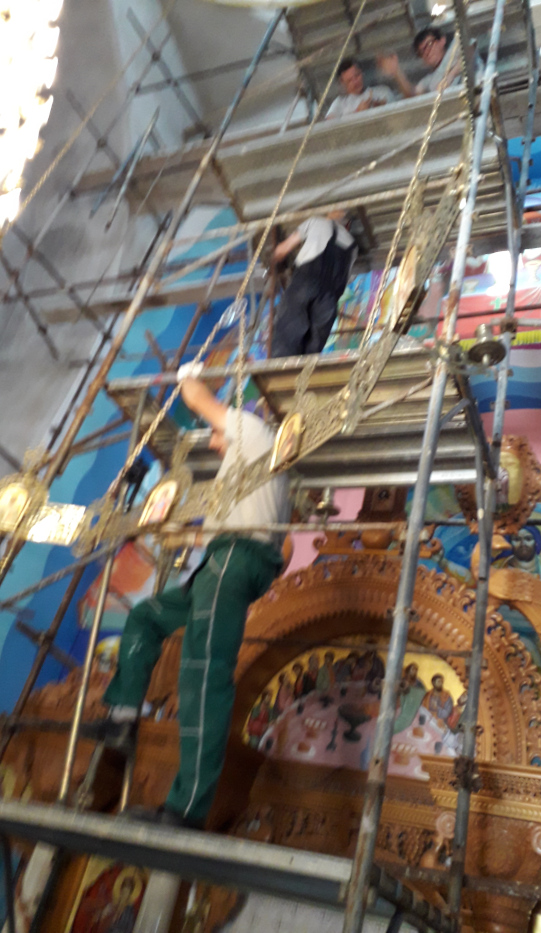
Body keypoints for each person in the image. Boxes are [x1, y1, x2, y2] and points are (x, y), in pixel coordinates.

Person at [96, 362, 290, 829]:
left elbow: (198, 399)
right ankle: (122, 717)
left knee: (203, 672)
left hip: (233, 559)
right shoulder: (253, 473)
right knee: (146, 617)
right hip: (223, 563)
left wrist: (189, 373)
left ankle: (186, 810)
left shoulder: (254, 432)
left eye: (216, 434)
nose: (212, 439)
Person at [271, 211, 357, 358]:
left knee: (287, 338)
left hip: (304, 283)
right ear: (347, 225)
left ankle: (281, 367)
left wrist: (274, 258)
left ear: (329, 214)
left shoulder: (316, 222)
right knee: (311, 352)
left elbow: (282, 250)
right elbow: (347, 279)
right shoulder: (353, 246)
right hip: (329, 299)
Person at [378, 27, 480, 98]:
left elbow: (469, 52)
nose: (427, 52)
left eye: (429, 44)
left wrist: (450, 76)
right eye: (421, 52)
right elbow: (412, 94)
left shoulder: (455, 47)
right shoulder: (429, 80)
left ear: (442, 40)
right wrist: (396, 72)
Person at [326, 58, 396, 120]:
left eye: (357, 75)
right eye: (349, 80)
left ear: (362, 73)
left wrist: (383, 108)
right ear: (343, 83)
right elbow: (329, 125)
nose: (355, 82)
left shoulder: (382, 91)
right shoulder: (339, 103)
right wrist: (357, 112)